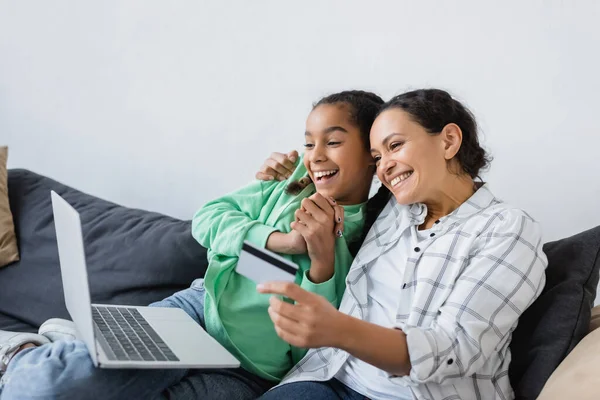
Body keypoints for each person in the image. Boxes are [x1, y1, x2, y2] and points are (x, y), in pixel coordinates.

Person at [0, 90, 384, 400]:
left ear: (372, 153)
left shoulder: (375, 236)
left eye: (332, 142)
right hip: (197, 313)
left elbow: (314, 343)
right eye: (308, 142)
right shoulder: (288, 183)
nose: (315, 155)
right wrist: (277, 241)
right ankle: (21, 351)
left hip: (249, 371)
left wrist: (321, 265)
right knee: (46, 387)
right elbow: (209, 218)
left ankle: (62, 342)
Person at [255, 89, 548, 399]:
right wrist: (279, 181)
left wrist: (339, 329)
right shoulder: (390, 208)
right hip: (318, 370)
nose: (383, 167)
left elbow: (457, 348)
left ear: (448, 141)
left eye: (395, 146)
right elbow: (230, 238)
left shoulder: (506, 228)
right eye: (377, 158)